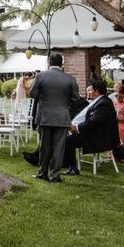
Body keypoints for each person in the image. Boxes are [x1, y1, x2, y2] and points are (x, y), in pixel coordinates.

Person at [29, 53, 79, 183]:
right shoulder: (70, 79)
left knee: (44, 146)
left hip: (45, 116)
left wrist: (44, 97)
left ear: (49, 63)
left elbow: (32, 93)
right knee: (59, 147)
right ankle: (55, 175)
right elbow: (76, 99)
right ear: (61, 64)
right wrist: (66, 106)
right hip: (62, 117)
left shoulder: (41, 76)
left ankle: (42, 173)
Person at [63, 81, 120, 176]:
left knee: (67, 140)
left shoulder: (104, 103)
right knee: (63, 137)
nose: (89, 92)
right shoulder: (99, 101)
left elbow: (94, 122)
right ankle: (64, 163)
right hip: (94, 133)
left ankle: (72, 167)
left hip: (99, 137)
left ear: (97, 91)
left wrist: (76, 128)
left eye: (91, 90)